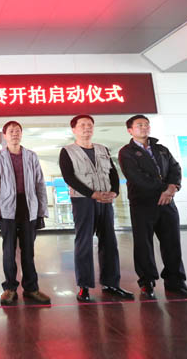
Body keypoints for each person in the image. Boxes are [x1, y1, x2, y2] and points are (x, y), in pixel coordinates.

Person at [118, 115, 187, 299]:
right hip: (143, 204)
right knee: (144, 244)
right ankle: (147, 283)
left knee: (172, 243)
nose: (144, 127)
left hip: (167, 202)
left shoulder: (161, 149)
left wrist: (172, 188)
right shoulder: (126, 152)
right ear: (130, 130)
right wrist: (164, 189)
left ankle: (175, 282)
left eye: (147, 125)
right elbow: (136, 177)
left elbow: (175, 168)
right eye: (139, 125)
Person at [59, 115, 133, 302]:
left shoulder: (103, 149)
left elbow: (113, 173)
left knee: (109, 242)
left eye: (90, 125)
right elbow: (69, 177)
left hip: (105, 200)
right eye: (82, 125)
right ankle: (84, 286)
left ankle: (111, 284)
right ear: (74, 129)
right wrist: (92, 194)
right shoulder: (67, 151)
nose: (87, 128)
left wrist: (114, 192)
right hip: (83, 201)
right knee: (84, 242)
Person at [0, 121, 51, 306]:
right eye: (11, 131)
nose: (15, 134)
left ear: (21, 134)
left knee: (28, 251)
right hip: (7, 207)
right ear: (5, 135)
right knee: (9, 251)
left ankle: (31, 288)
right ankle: (10, 288)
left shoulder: (31, 156)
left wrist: (42, 209)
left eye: (17, 131)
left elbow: (40, 183)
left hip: (28, 207)